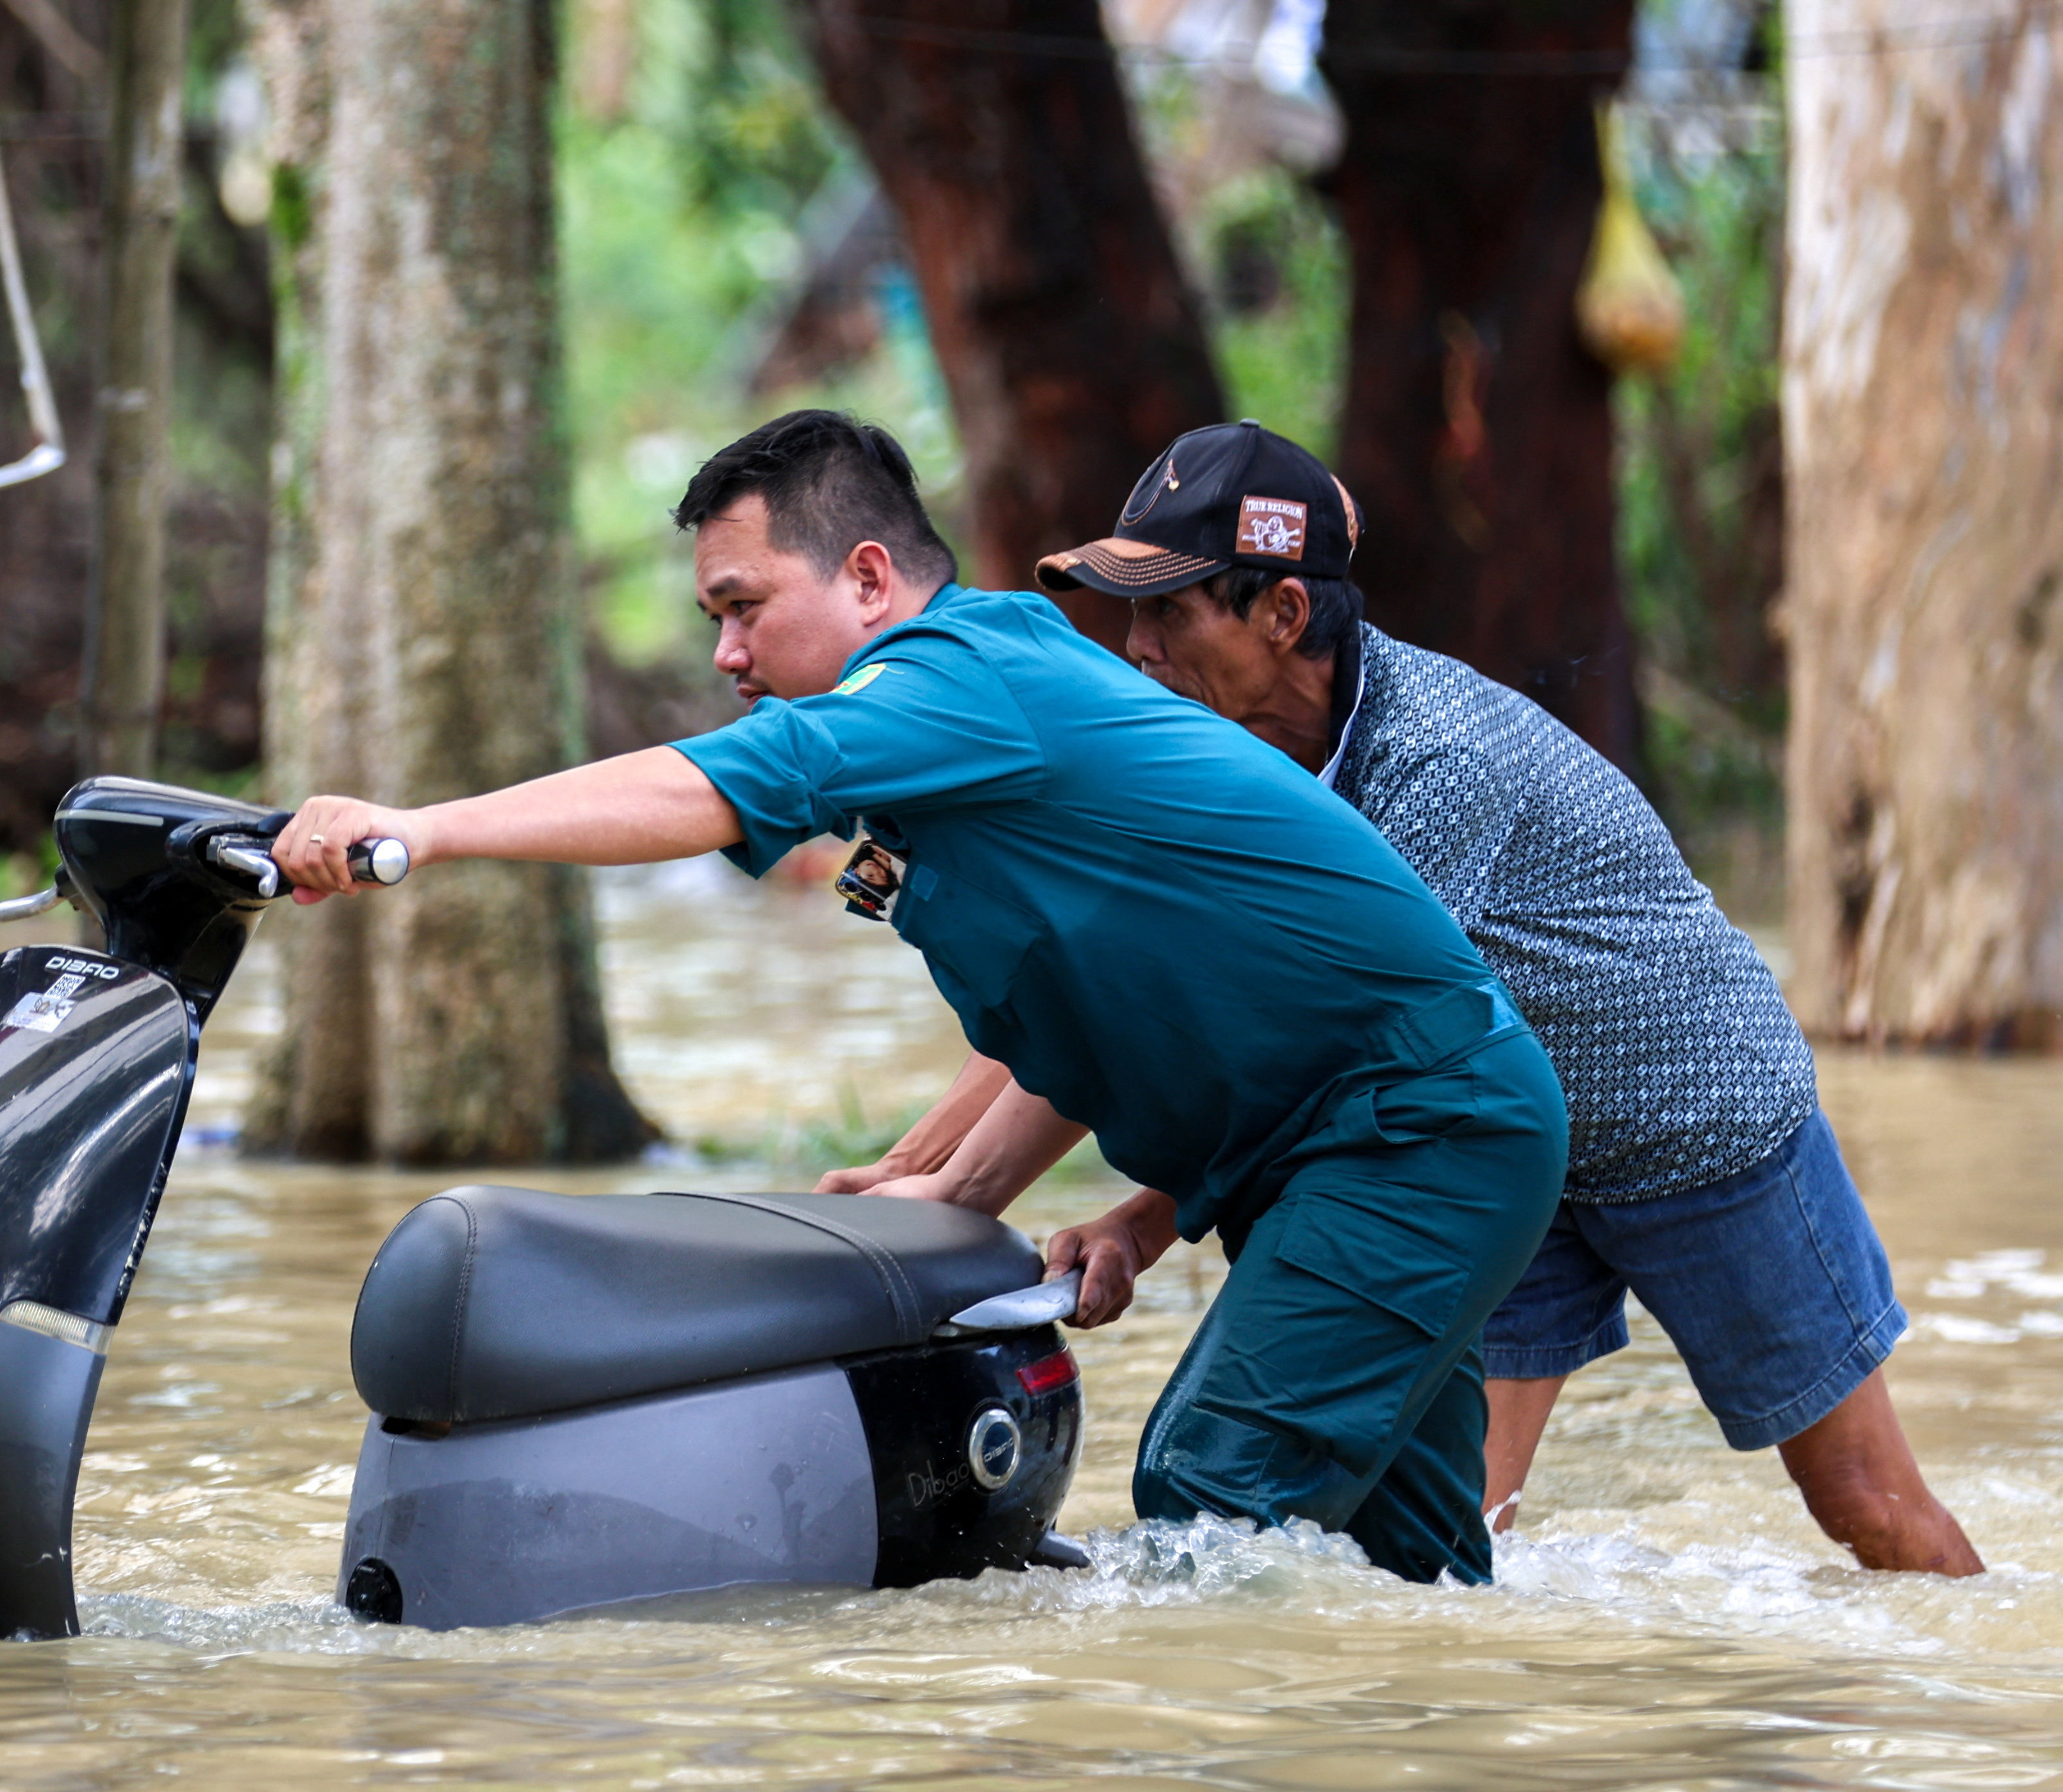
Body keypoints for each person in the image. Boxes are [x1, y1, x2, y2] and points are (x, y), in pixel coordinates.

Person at [272, 409, 1568, 1586]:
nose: (726, 651)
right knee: (1413, 1577)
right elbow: (1081, 1023)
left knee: (1207, 1493)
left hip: (1416, 1131)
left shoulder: (957, 677)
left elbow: (712, 785)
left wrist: (424, 830)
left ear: (871, 581)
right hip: (1366, 1140)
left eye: (743, 605)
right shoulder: (961, 745)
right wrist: (942, 1197)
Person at [841, 418, 1979, 1576]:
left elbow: (1281, 1026)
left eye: (1171, 613)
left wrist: (1138, 1221)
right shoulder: (1228, 764)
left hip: (1697, 1121)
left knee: (1866, 1507)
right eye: (1130, 613)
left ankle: (1992, 1698)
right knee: (1446, 1542)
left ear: (1284, 615)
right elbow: (1107, 983)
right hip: (1496, 1148)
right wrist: (914, 1180)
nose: (1136, 651)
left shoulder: (1436, 762)